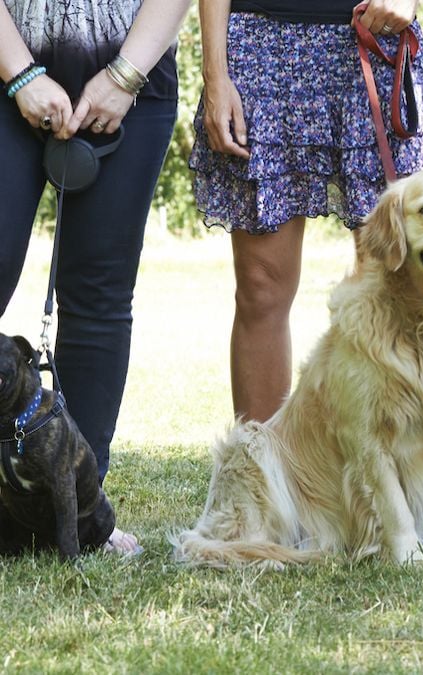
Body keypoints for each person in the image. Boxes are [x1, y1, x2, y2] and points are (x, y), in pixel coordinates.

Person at [189, 0, 423, 551]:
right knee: (263, 289)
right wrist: (216, 74)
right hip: (263, 46)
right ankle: (273, 493)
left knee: (397, 282)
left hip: (368, 38)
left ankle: (419, 503)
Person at [0, 0, 190, 554]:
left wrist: (125, 75)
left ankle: (83, 514)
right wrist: (22, 74)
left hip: (133, 73)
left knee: (97, 292)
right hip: (8, 55)